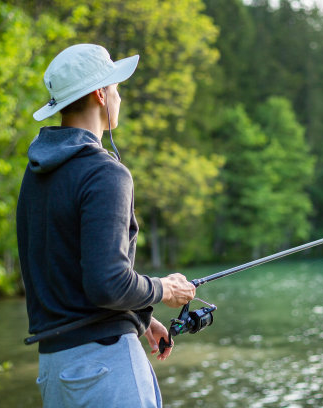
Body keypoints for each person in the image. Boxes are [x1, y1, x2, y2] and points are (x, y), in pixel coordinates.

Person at [16, 43, 196, 407]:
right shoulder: (105, 173)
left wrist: (140, 320)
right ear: (100, 94)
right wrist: (164, 289)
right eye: (115, 88)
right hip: (105, 367)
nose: (119, 97)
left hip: (54, 370)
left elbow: (70, 274)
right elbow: (107, 283)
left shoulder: (36, 175)